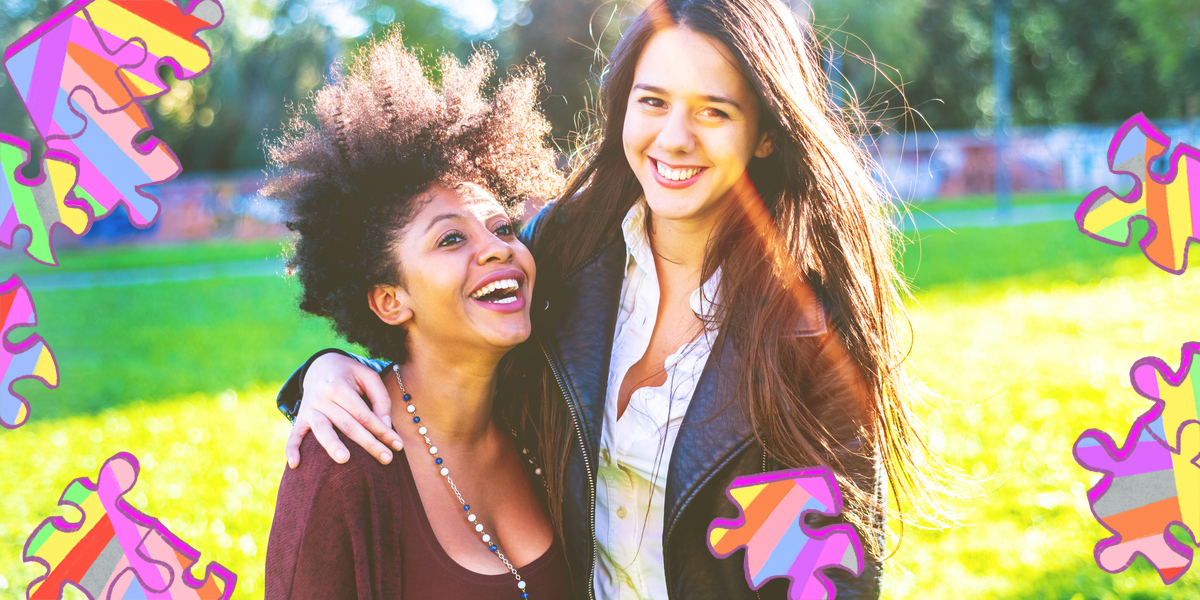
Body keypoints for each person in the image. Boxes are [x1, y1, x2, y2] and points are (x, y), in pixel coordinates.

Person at [276, 1, 949, 598]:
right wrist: (327, 371)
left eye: (714, 111)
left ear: (766, 133)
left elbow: (828, 580)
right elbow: (447, 330)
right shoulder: (561, 257)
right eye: (652, 101)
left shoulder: (804, 340)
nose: (675, 137)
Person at [261, 32, 571, 599]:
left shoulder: (549, 410)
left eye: (502, 227)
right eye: (451, 238)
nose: (498, 247)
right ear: (389, 299)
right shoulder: (341, 460)